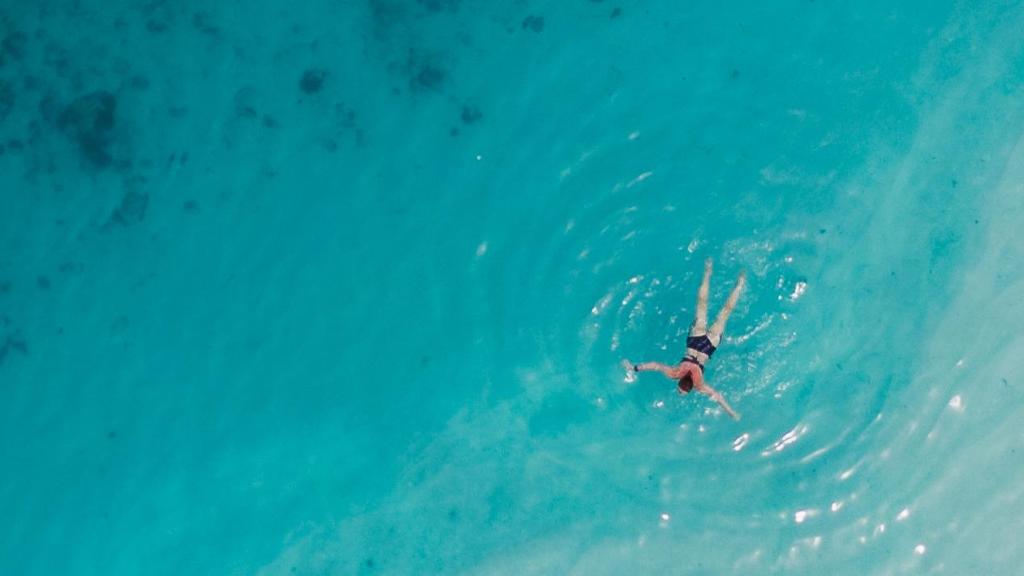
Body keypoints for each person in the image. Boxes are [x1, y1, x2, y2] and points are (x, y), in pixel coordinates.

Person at [624, 258, 745, 420]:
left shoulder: (699, 385)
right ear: (680, 381)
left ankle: (739, 284)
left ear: (690, 387)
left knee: (725, 312)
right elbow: (654, 365)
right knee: (702, 304)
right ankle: (708, 273)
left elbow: (718, 397)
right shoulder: (674, 373)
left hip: (708, 347)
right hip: (695, 339)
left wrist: (731, 413)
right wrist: (634, 368)